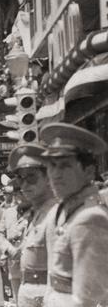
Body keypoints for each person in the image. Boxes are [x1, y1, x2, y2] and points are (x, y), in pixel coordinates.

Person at [40, 123, 108, 307]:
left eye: (64, 166)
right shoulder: (66, 210)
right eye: (51, 165)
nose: (55, 174)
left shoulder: (90, 218)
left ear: (88, 171)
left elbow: (87, 298)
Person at [2, 143, 55, 307]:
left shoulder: (53, 214)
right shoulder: (35, 214)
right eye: (20, 179)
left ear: (48, 177)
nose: (24, 185)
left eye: (31, 177)